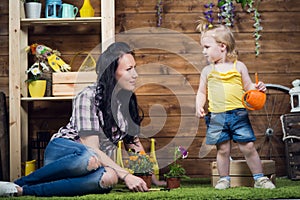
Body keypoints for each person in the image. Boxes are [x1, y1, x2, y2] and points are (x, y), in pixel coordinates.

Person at [0, 42, 165, 197]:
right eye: (129, 69)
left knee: (110, 178)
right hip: (64, 152)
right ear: (111, 72)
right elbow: (92, 148)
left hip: (96, 163)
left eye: (135, 68)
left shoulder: (126, 101)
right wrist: (127, 176)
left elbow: (133, 143)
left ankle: (21, 191)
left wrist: (150, 177)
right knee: (89, 159)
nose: (135, 75)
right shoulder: (88, 96)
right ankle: (17, 183)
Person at [195, 20, 275, 190]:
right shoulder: (207, 71)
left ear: (222, 47)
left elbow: (249, 88)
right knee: (223, 150)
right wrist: (199, 105)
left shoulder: (239, 67)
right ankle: (224, 179)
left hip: (238, 114)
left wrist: (259, 88)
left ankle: (259, 178)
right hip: (217, 116)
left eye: (207, 47)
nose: (203, 51)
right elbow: (202, 92)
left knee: (248, 146)